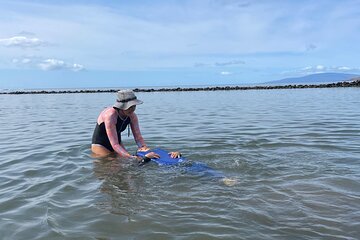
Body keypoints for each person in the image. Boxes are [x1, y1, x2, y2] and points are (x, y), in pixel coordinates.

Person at [91, 89, 180, 161]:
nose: (132, 109)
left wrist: (146, 151)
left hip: (118, 143)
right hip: (101, 145)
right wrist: (132, 157)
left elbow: (138, 138)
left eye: (134, 106)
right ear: (121, 106)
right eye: (130, 107)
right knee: (114, 166)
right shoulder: (110, 115)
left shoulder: (132, 116)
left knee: (125, 164)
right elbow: (114, 145)